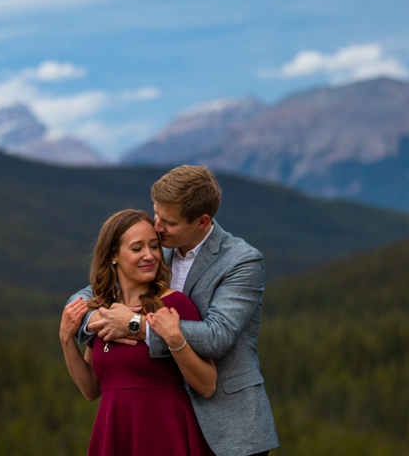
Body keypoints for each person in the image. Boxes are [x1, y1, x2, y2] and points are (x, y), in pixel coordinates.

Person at [68, 165, 279, 456]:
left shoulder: (241, 261)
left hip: (229, 428)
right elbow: (91, 293)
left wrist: (134, 324)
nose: (156, 226)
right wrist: (93, 319)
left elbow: (217, 336)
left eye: (168, 221)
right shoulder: (157, 249)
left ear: (202, 221)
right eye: (156, 215)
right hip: (161, 420)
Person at [60, 209, 216, 456]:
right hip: (114, 431)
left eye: (154, 246)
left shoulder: (175, 304)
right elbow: (92, 390)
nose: (150, 256)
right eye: (137, 248)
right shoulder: (104, 311)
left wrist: (175, 340)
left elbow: (207, 384)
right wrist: (67, 340)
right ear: (114, 255)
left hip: (164, 431)